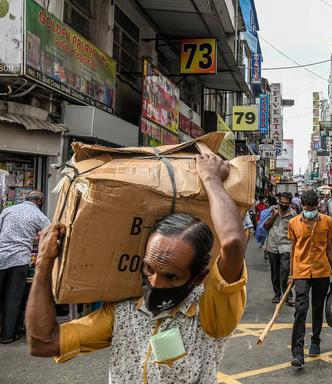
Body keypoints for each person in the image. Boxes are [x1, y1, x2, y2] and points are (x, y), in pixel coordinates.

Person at [25, 153, 248, 383]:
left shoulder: (210, 312)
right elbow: (43, 343)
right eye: (149, 269)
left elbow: (232, 244)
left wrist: (211, 179)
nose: (155, 283)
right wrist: (43, 264)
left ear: (199, 276)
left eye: (171, 276)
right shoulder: (125, 310)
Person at [287, 190, 332, 369]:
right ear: (302, 207)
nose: (310, 212)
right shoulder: (293, 223)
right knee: (300, 310)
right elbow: (293, 249)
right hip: (301, 272)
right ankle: (297, 352)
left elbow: (329, 249)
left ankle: (315, 341)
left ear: (318, 206)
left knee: (318, 309)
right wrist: (290, 274)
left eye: (313, 208)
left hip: (322, 272)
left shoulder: (327, 221)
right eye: (307, 209)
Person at [0, 191, 50, 344]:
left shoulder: (8, 210)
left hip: (0, 255)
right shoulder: (38, 215)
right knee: (13, 297)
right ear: (39, 202)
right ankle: (8, 335)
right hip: (19, 259)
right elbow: (51, 233)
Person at [264, 192, 296, 306]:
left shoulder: (293, 214)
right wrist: (275, 215)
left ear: (289, 203)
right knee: (275, 273)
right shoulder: (271, 211)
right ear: (278, 201)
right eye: (281, 202)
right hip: (272, 246)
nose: (283, 204)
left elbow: (296, 232)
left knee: (285, 272)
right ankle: (277, 294)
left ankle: (288, 295)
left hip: (286, 246)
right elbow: (266, 226)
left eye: (286, 203)